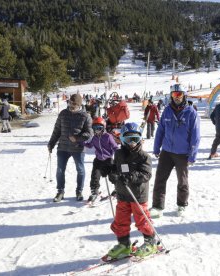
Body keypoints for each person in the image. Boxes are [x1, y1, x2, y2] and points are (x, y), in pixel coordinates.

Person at [106, 122, 157, 259]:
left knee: (142, 220)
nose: (133, 142)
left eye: (136, 138)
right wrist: (112, 174)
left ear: (140, 139)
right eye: (129, 139)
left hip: (138, 195)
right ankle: (124, 244)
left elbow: (146, 174)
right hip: (123, 193)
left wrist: (129, 177)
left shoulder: (144, 156)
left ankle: (150, 241)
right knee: (120, 220)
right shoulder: (119, 154)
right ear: (122, 139)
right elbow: (116, 170)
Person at [150, 84, 200, 218]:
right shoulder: (167, 111)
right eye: (174, 95)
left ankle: (182, 205)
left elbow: (195, 136)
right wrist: (156, 147)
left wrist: (192, 155)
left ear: (184, 95)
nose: (176, 97)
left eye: (179, 94)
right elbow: (160, 130)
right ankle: (157, 206)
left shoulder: (191, 113)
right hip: (166, 152)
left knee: (182, 181)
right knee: (160, 179)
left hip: (182, 153)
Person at [48, 94, 93, 202]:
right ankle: (60, 191)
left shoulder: (85, 116)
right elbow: (57, 130)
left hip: (78, 148)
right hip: (63, 148)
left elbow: (90, 133)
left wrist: (77, 138)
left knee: (80, 170)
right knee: (60, 170)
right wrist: (51, 143)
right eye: (70, 103)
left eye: (74, 104)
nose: (71, 105)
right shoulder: (63, 114)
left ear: (79, 104)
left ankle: (79, 191)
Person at [84, 117, 118, 202]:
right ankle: (94, 191)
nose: (97, 130)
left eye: (99, 128)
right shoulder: (94, 137)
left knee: (113, 176)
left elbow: (115, 147)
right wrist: (81, 142)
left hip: (108, 159)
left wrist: (119, 155)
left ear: (103, 128)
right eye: (95, 128)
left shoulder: (108, 136)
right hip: (98, 160)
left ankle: (118, 189)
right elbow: (90, 145)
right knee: (95, 176)